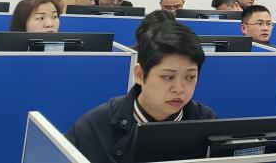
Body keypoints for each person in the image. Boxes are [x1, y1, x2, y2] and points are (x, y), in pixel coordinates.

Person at [65, 21, 216, 163]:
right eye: (168, 77)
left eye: (190, 77)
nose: (179, 89)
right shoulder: (94, 129)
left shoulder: (206, 123)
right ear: (139, 74)